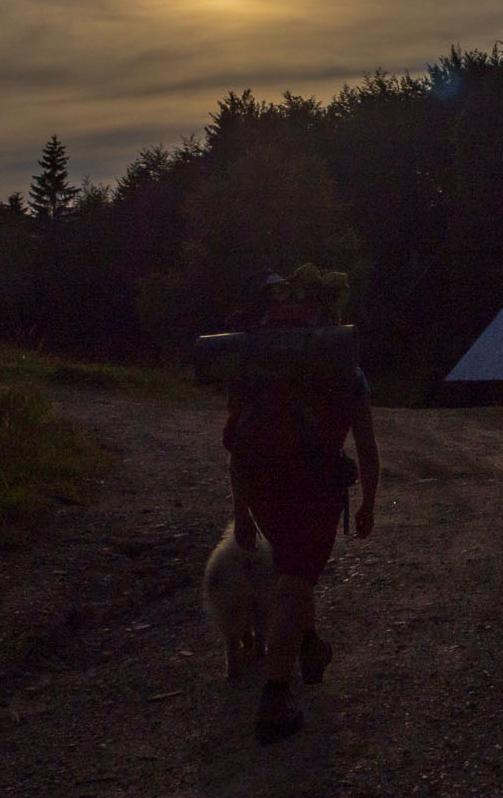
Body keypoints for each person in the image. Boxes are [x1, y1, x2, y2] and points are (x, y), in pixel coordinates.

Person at [224, 272, 379, 744]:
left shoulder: (256, 364)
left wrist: (242, 509)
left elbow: (240, 444)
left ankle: (309, 645)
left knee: (293, 569)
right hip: (315, 490)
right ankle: (275, 694)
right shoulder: (344, 370)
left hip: (262, 487)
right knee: (295, 579)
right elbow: (367, 446)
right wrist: (369, 502)